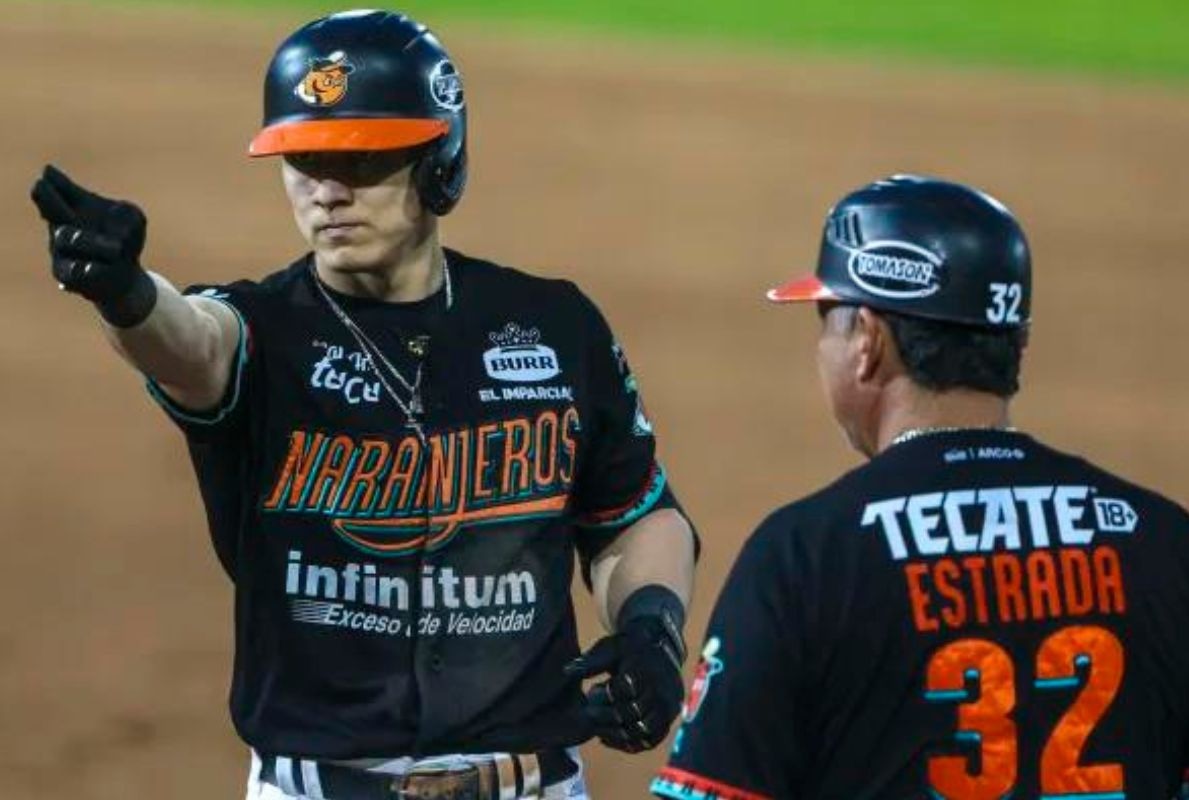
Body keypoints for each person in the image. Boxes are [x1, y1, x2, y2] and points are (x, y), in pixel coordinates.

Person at [30, 10, 697, 800]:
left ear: (439, 158)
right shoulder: (263, 333)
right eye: (302, 161)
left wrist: (651, 624)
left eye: (359, 159)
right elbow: (195, 345)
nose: (326, 191)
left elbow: (633, 509)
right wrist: (128, 295)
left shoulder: (554, 326)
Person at [651, 175, 1189, 800]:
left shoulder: (806, 556)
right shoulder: (1166, 543)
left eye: (827, 320)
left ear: (869, 342)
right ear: (1014, 340)